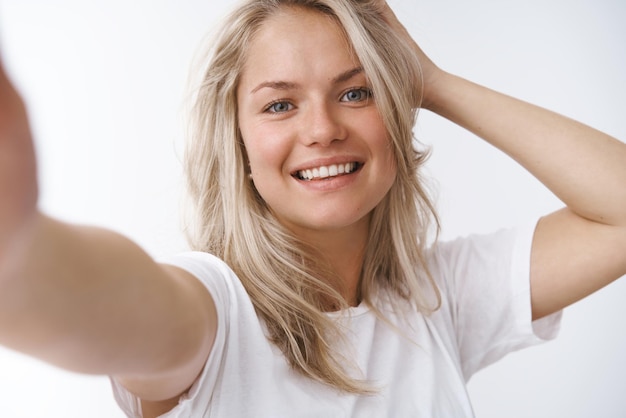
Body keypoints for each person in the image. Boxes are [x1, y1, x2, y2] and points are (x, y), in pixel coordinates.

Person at [0, 0, 625, 417]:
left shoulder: (437, 299)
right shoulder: (215, 312)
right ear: (237, 140)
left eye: (356, 92)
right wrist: (18, 248)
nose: (323, 129)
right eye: (279, 104)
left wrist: (431, 81)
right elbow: (110, 303)